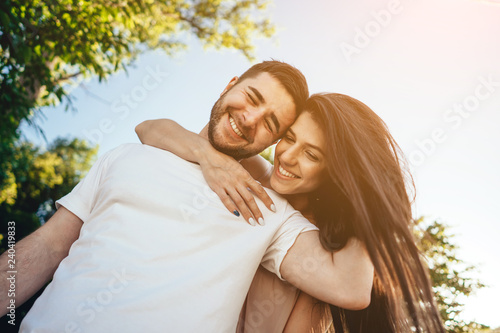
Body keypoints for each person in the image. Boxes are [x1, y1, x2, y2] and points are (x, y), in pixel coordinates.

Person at [0, 61, 374, 332]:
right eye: (251, 97)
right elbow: (47, 247)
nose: (249, 119)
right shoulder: (128, 156)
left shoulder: (267, 208)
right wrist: (205, 156)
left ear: (272, 143)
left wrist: (374, 189)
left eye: (271, 124)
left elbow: (350, 287)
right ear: (230, 84)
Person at [136, 93, 446, 332]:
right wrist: (210, 157)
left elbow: (352, 291)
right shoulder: (251, 176)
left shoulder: (324, 254)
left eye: (312, 154)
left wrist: (367, 199)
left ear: (336, 172)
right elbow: (148, 129)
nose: (287, 157)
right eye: (290, 138)